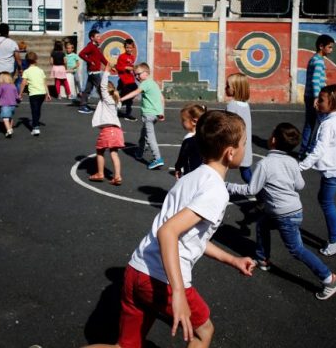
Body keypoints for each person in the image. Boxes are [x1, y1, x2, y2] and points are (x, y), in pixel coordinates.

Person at [83, 110, 255, 348]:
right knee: (202, 333)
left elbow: (191, 237)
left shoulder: (190, 178)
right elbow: (168, 232)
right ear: (230, 152)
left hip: (137, 269)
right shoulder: (216, 191)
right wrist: (177, 293)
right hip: (160, 278)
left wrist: (232, 260)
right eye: (245, 143)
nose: (246, 148)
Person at [226, 122, 336, 300]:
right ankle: (262, 258)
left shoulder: (265, 164)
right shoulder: (292, 161)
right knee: (263, 223)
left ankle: (329, 279)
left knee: (296, 249)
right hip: (293, 210)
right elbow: (300, 185)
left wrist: (227, 186)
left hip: (284, 214)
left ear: (273, 140)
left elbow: (251, 190)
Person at [300, 84, 336, 256]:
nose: (317, 101)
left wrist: (300, 167)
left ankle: (335, 240)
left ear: (332, 102)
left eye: (321, 99)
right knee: (326, 199)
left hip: (333, 171)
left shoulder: (328, 125)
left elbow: (318, 150)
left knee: (325, 201)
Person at [120, 63, 166, 170]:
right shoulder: (154, 84)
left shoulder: (145, 83)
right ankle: (139, 152)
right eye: (135, 75)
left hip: (149, 114)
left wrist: (121, 99)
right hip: (155, 115)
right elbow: (162, 99)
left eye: (138, 74)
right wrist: (162, 112)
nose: (136, 77)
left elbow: (135, 92)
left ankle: (157, 158)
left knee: (150, 137)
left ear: (146, 73)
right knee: (143, 134)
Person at [88, 61, 124, 186]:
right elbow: (106, 88)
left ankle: (100, 173)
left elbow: (103, 86)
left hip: (108, 130)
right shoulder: (116, 101)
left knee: (100, 151)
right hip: (118, 131)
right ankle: (117, 176)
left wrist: (106, 71)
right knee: (114, 153)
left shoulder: (107, 99)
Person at [300, 34, 334, 159]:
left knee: (310, 124)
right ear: (321, 46)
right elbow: (315, 81)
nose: (331, 50)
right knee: (320, 124)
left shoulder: (314, 59)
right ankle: (308, 150)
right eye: (329, 47)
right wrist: (316, 98)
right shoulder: (318, 61)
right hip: (315, 98)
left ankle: (304, 151)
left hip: (310, 96)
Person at [225, 73, 253, 183]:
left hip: (234, 144)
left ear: (235, 89)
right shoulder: (245, 105)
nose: (225, 88)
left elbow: (228, 124)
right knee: (246, 172)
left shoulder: (232, 105)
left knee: (220, 167)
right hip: (245, 145)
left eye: (228, 86)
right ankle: (261, 192)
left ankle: (262, 193)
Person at [19, 51, 52, 136]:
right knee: (37, 109)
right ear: (36, 59)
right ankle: (36, 123)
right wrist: (48, 94)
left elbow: (23, 83)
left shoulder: (26, 71)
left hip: (34, 94)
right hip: (42, 93)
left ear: (26, 61)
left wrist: (20, 93)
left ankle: (35, 127)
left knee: (34, 110)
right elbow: (44, 83)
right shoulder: (40, 70)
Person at [78, 30, 108, 114]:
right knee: (101, 88)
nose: (99, 38)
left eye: (99, 36)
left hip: (94, 71)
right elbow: (81, 54)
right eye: (97, 36)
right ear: (92, 38)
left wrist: (108, 65)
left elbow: (101, 57)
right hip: (94, 72)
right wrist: (90, 61)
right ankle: (105, 106)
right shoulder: (91, 46)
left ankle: (83, 105)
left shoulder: (96, 47)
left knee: (88, 89)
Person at [173, 104, 206, 179]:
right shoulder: (206, 136)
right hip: (204, 173)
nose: (182, 122)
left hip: (190, 173)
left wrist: (178, 167)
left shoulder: (189, 138)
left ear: (194, 121)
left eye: (184, 120)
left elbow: (183, 156)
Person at [115, 39, 138, 121]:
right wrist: (125, 67)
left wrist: (136, 75)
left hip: (131, 80)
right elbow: (117, 67)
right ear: (125, 48)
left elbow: (132, 68)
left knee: (131, 95)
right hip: (124, 81)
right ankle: (127, 114)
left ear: (133, 48)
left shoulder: (132, 57)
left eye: (130, 48)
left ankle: (119, 106)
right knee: (126, 97)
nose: (129, 49)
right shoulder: (121, 57)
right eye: (127, 47)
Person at [0, 72, 19, 138]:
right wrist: (18, 100)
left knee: (5, 118)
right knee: (10, 117)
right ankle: (10, 128)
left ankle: (9, 130)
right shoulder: (13, 86)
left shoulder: (2, 86)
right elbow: (16, 96)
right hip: (13, 104)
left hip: (5, 104)